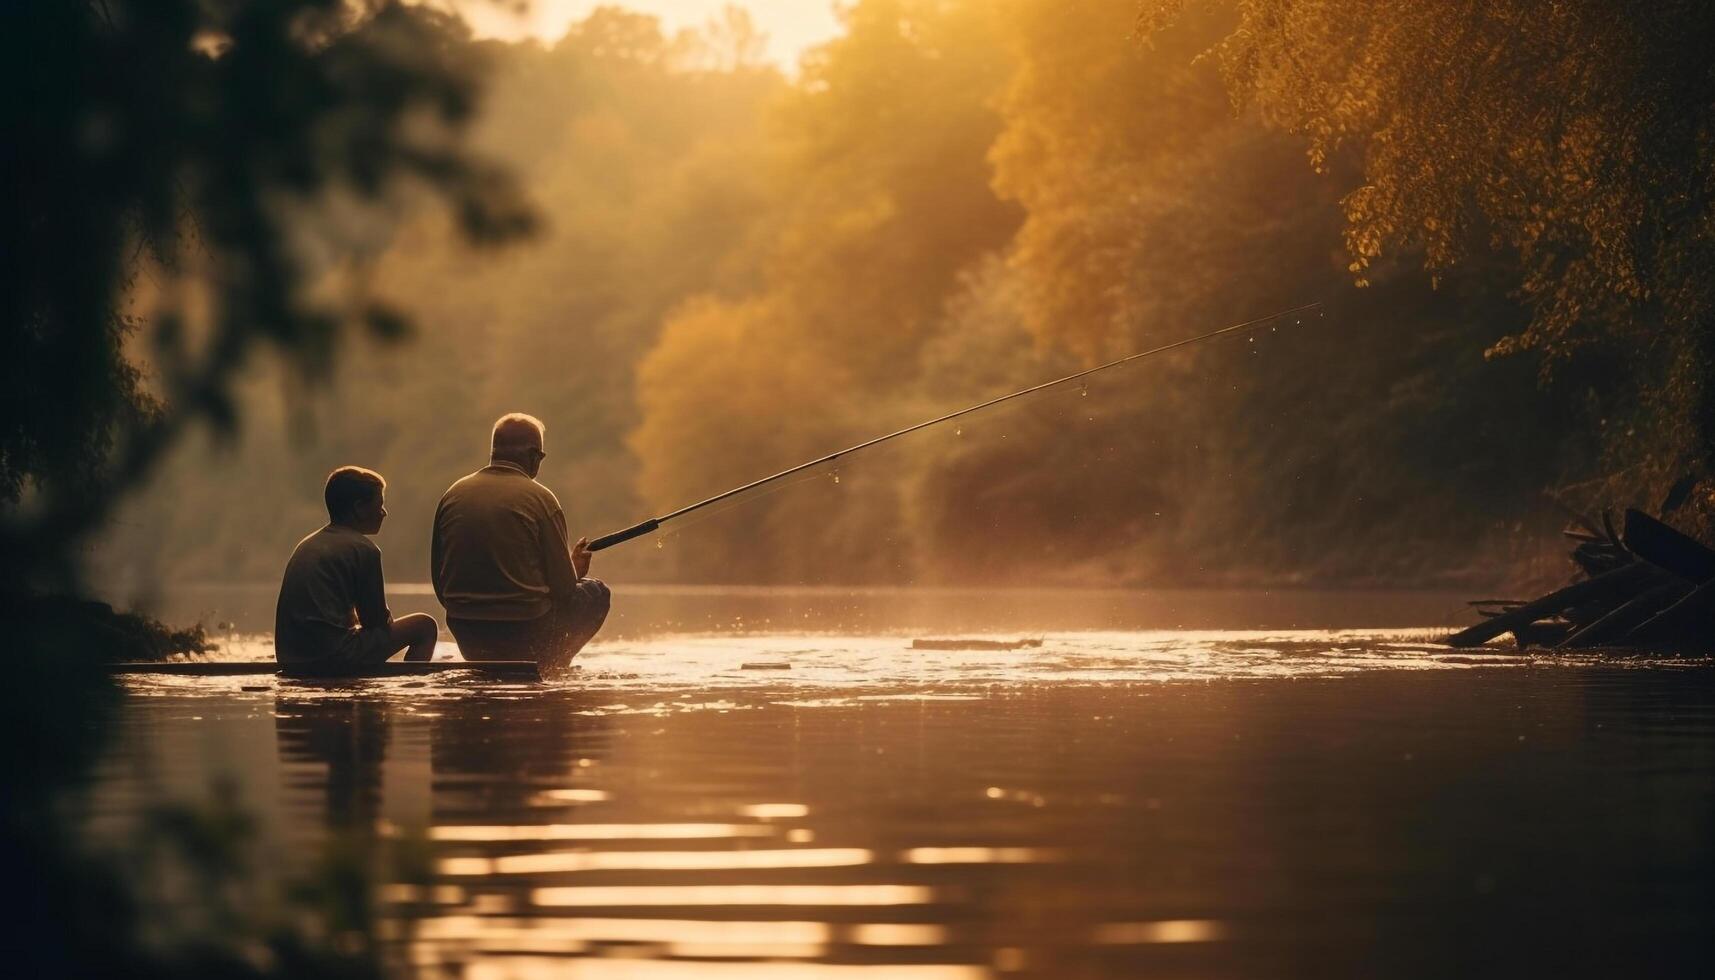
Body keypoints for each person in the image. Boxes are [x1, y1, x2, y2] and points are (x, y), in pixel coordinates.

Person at [431, 413, 610, 668]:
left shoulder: (452, 495)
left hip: (466, 629)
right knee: (596, 592)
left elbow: (439, 582)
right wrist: (575, 571)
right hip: (525, 630)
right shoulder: (541, 499)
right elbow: (564, 591)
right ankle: (552, 666)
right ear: (534, 455)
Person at [274, 466, 440, 674]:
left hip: (290, 659)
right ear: (359, 508)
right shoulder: (365, 549)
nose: (384, 513)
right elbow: (375, 621)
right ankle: (409, 684)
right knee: (425, 626)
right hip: (334, 657)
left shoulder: (307, 544)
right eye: (379, 505)